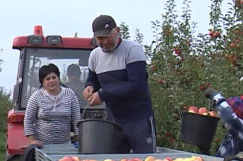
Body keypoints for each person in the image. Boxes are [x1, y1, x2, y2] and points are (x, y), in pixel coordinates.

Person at [83, 14, 157, 153]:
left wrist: (103, 95)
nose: (104, 42)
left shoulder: (132, 50)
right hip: (114, 121)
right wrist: (90, 87)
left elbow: (136, 86)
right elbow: (93, 80)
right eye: (99, 38)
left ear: (117, 30)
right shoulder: (95, 55)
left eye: (107, 37)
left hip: (139, 119)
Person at [24, 64, 81, 146]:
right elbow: (28, 120)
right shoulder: (36, 96)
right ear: (42, 82)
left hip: (65, 144)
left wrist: (78, 136)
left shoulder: (70, 94)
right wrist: (32, 140)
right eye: (48, 79)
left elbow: (76, 118)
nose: (51, 81)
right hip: (42, 145)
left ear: (58, 78)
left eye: (54, 77)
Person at [203, 87, 243, 158]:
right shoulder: (233, 135)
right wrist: (205, 151)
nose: (222, 117)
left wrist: (215, 95)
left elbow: (229, 117)